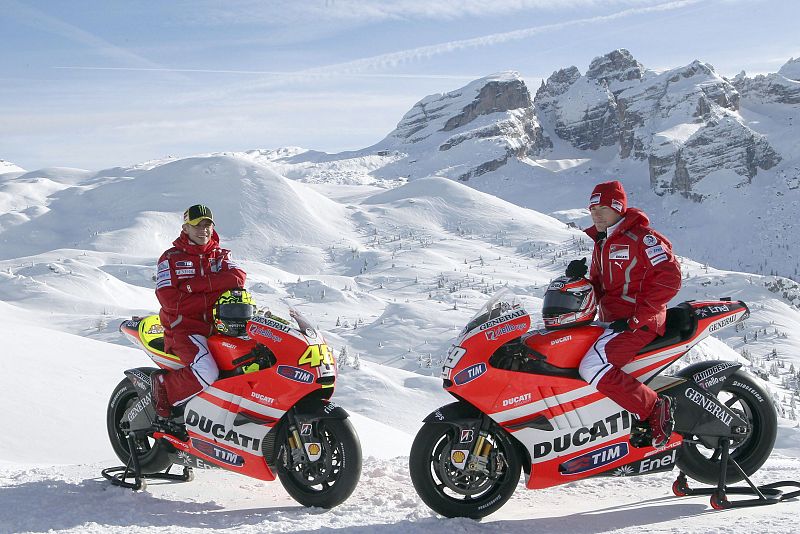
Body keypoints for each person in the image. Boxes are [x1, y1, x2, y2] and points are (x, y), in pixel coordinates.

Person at [567, 181, 682, 447]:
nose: (596, 215)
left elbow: (670, 279)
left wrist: (637, 318)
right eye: (592, 209)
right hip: (612, 323)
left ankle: (655, 407)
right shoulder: (603, 241)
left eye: (603, 209)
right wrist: (578, 280)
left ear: (619, 208)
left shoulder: (643, 238)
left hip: (639, 323)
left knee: (592, 366)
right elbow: (600, 287)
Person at [151, 204, 246, 418]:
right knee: (207, 370)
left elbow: (238, 278)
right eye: (197, 225)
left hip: (220, 329)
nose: (203, 230)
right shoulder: (170, 258)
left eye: (207, 225)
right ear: (185, 228)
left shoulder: (221, 255)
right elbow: (170, 301)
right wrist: (215, 291)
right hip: (183, 330)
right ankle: (163, 384)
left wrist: (193, 286)